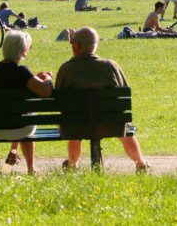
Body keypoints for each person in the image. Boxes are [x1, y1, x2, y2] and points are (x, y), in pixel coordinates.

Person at [56, 27, 149, 171]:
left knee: (74, 126)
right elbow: (123, 94)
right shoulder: (110, 67)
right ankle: (141, 163)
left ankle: (72, 164)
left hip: (76, 125)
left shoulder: (66, 69)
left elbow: (59, 100)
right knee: (123, 125)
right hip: (110, 124)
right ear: (94, 46)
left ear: (77, 45)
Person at [0, 30, 53, 174]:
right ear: (23, 51)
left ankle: (14, 151)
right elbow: (45, 91)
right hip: (21, 129)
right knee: (26, 116)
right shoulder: (22, 72)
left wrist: (34, 78)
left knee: (16, 112)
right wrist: (47, 78)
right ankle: (30, 168)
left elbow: (9, 84)